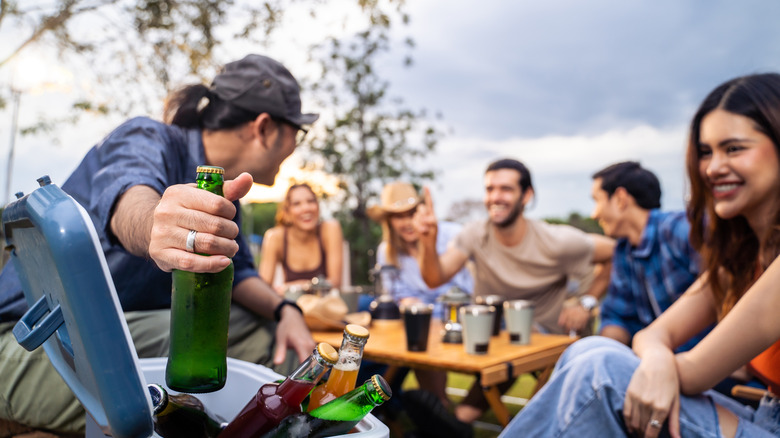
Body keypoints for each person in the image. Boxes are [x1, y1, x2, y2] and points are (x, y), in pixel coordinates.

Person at [0, 54, 317, 434]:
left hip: (93, 335)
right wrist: (158, 226)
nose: (295, 146)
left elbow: (242, 270)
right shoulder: (148, 137)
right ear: (264, 127)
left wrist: (286, 310)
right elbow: (127, 200)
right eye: (297, 132)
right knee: (251, 344)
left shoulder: (226, 199)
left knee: (257, 326)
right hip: (32, 344)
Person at [499, 73, 780, 438]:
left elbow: (695, 369)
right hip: (757, 407)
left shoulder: (680, 231)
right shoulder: (740, 255)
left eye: (734, 148)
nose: (712, 167)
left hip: (729, 383)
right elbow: (645, 332)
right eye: (706, 152)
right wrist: (652, 352)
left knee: (600, 373)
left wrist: (647, 356)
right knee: (592, 352)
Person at [413, 158, 615, 427]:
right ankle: (454, 423)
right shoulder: (474, 235)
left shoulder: (555, 241)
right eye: (490, 189)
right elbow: (434, 277)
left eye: (505, 189)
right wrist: (428, 241)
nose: (495, 197)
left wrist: (585, 302)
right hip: (493, 335)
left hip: (546, 337)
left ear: (527, 196)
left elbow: (615, 252)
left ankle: (457, 423)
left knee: (511, 343)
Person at [366, 181, 474, 410]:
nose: (407, 222)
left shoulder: (453, 234)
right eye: (398, 216)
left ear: (422, 211)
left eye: (411, 213)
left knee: (423, 330)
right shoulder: (387, 251)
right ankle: (440, 408)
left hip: (460, 315)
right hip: (420, 320)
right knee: (418, 332)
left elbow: (467, 286)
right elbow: (397, 294)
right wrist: (408, 303)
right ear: (389, 221)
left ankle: (448, 413)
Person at [590, 161, 706, 351]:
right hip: (656, 360)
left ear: (620, 198)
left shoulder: (681, 229)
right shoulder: (623, 251)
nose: (594, 214)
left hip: (711, 363)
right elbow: (617, 316)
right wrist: (605, 350)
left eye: (597, 200)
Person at [259, 183, 344, 294]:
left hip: (325, 307)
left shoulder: (330, 229)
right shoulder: (275, 237)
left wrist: (296, 286)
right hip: (292, 308)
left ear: (318, 207)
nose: (306, 208)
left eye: (311, 201)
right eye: (297, 204)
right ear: (287, 213)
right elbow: (263, 287)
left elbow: (335, 283)